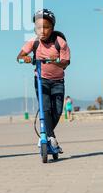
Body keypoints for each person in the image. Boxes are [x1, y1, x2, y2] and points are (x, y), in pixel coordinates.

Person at [16, 9, 70, 152]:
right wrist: (25, 58)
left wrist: (55, 61)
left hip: (58, 81)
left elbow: (66, 62)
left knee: (57, 111)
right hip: (41, 80)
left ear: (52, 28)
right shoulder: (33, 42)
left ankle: (47, 135)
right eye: (39, 28)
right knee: (45, 108)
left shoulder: (60, 42)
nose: (42, 31)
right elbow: (19, 56)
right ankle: (49, 137)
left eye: (46, 27)